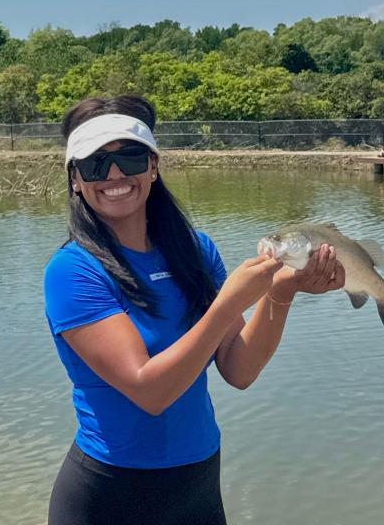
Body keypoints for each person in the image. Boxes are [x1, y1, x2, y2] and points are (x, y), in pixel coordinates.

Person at [44, 95, 345, 525]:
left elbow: (239, 370)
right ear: (75, 179)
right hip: (111, 493)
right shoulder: (71, 271)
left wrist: (281, 291)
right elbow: (150, 392)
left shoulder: (196, 250)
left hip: (197, 481)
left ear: (153, 166)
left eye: (130, 158)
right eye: (94, 164)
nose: (114, 175)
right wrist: (228, 303)